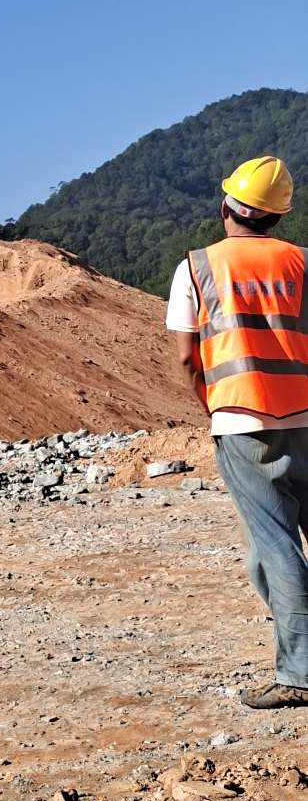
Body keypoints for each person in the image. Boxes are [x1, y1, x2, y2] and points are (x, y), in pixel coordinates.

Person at [168, 156, 308, 709]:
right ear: (277, 216)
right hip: (307, 414)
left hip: (242, 420)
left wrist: (213, 404)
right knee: (263, 550)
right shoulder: (302, 263)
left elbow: (185, 356)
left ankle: (298, 674)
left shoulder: (198, 267)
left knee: (275, 548)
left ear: (227, 205)